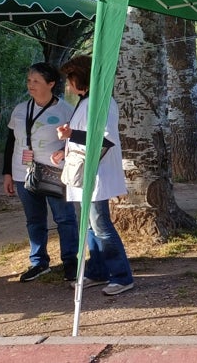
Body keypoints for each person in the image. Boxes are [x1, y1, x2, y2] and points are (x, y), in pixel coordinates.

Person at [51, 54, 133, 296]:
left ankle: (122, 276)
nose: (67, 84)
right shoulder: (86, 102)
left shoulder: (101, 102)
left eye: (69, 78)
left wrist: (70, 136)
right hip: (83, 171)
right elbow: (83, 134)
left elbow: (104, 139)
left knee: (100, 224)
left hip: (96, 172)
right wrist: (63, 149)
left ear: (80, 78)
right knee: (89, 224)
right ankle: (98, 271)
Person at [2, 63, 79, 282]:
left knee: (64, 218)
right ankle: (39, 262)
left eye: (36, 81)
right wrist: (7, 173)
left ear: (51, 84)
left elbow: (75, 140)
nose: (30, 85)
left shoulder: (65, 110)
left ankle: (70, 261)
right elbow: (10, 142)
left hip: (55, 173)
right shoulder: (20, 109)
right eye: (29, 80)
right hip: (22, 173)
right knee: (34, 219)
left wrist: (62, 151)